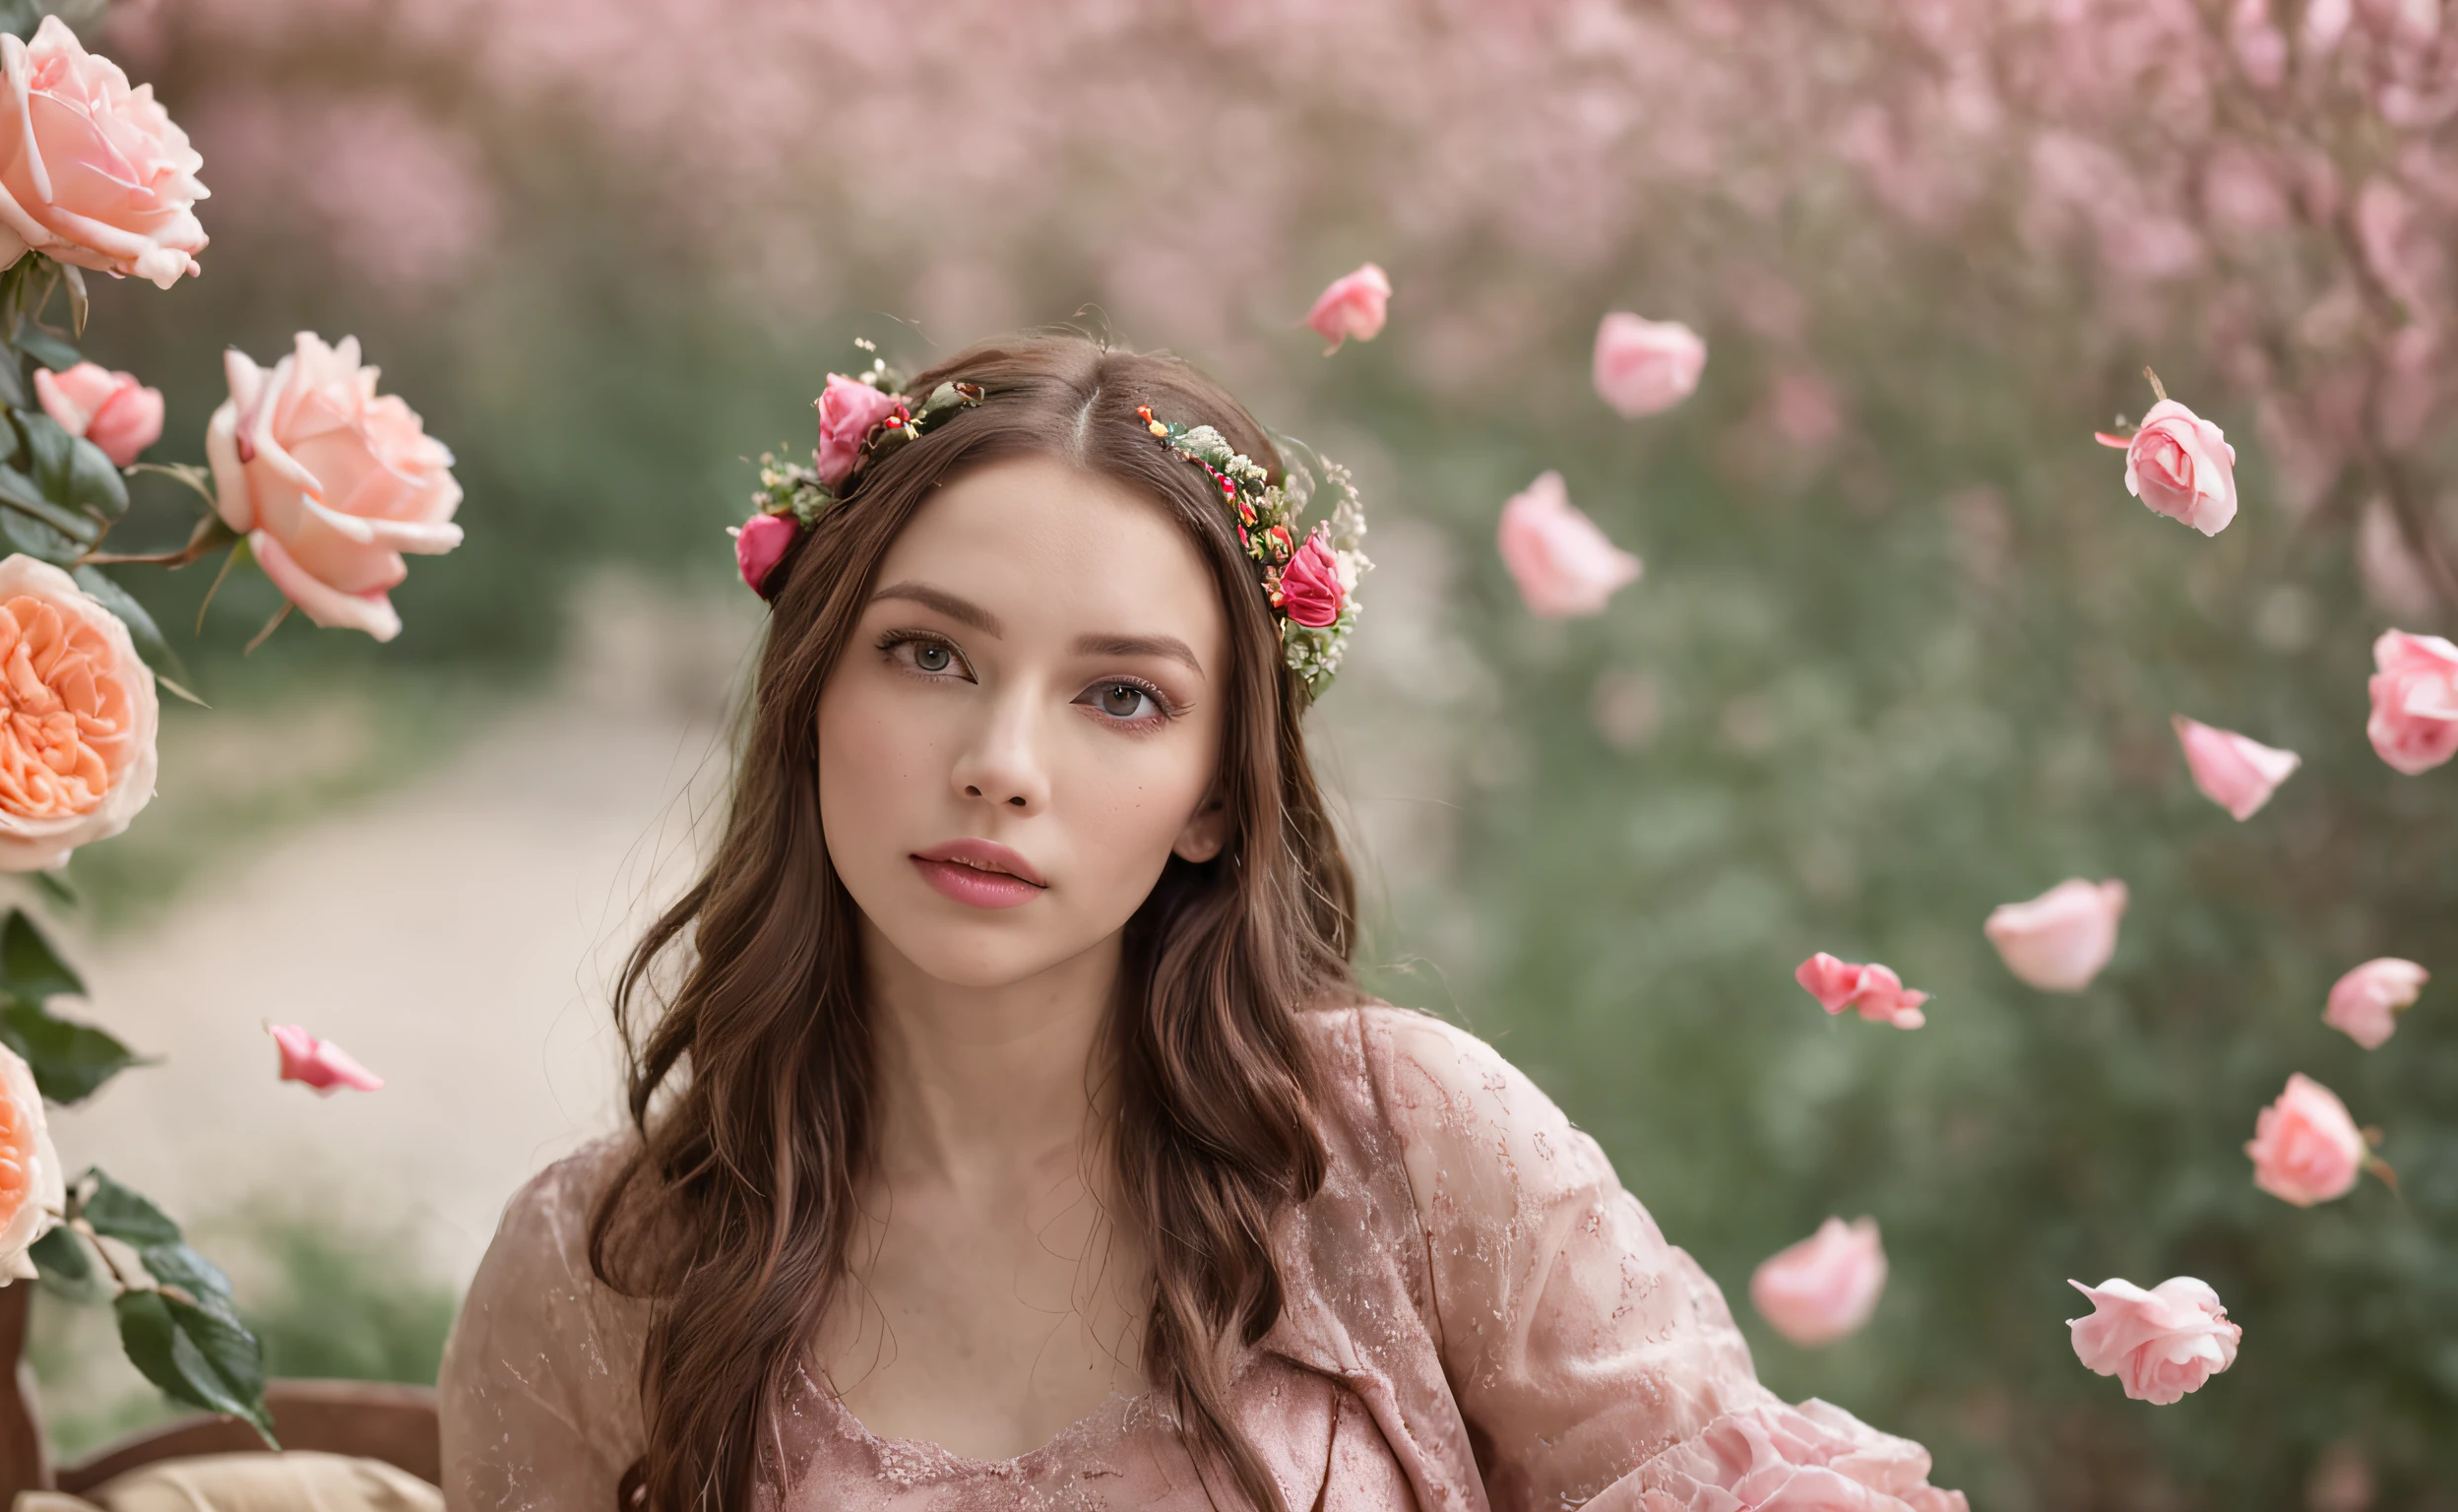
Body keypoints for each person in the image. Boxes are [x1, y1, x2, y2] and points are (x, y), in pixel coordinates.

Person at [438, 332, 1965, 1511]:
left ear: (1214, 798)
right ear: (813, 695)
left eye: (1123, 697)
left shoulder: (1404, 1152)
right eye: (929, 655)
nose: (1002, 767)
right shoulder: (599, 1265)